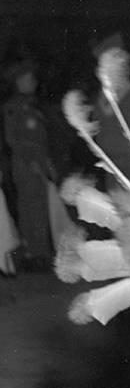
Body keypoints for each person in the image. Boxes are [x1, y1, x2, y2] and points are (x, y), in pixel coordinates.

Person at [2, 60, 56, 269]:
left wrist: (47, 162)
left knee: (40, 207)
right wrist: (31, 161)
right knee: (30, 208)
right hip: (26, 164)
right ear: (20, 81)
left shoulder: (33, 105)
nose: (33, 82)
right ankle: (33, 254)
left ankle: (40, 251)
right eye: (29, 78)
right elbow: (12, 139)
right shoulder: (13, 107)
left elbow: (42, 138)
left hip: (39, 163)